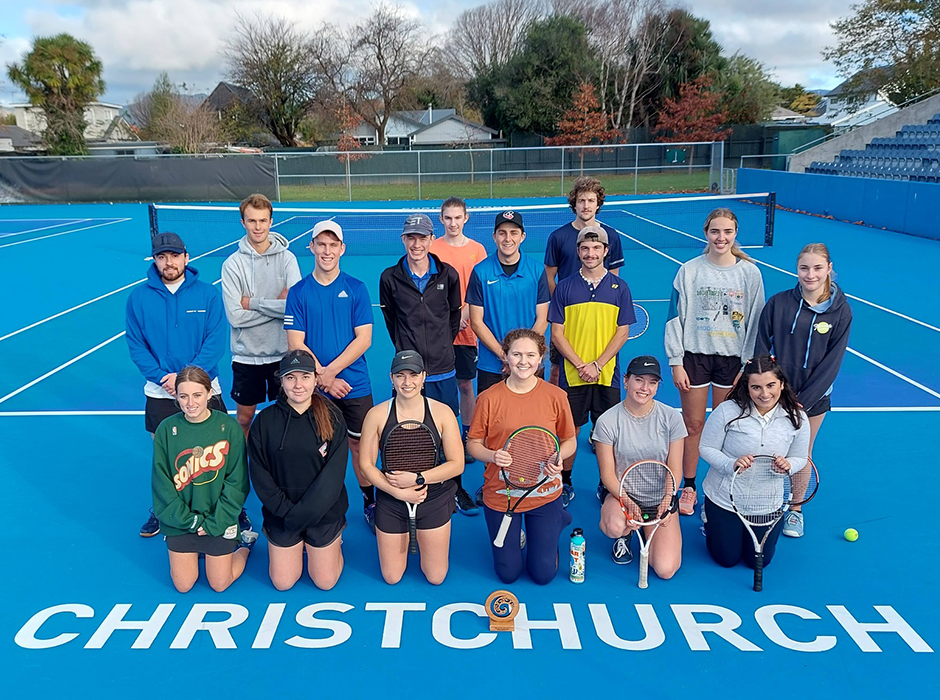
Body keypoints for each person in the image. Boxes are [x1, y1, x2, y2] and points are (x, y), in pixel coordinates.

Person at [126, 232, 250, 538]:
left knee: (218, 453)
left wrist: (185, 380)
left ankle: (233, 509)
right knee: (165, 454)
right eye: (161, 257)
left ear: (186, 257)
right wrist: (162, 377)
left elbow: (214, 342)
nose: (168, 262)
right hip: (160, 390)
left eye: (174, 256)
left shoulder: (208, 295)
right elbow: (136, 344)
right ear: (154, 260)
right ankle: (165, 509)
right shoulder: (138, 298)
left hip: (204, 387)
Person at [664, 208, 765, 517]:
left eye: (727, 232)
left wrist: (747, 365)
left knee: (727, 428)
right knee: (693, 424)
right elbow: (674, 317)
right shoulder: (689, 270)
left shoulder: (749, 272)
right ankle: (690, 487)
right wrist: (675, 361)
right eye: (715, 231)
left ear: (735, 234)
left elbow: (757, 321)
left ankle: (720, 492)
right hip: (694, 357)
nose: (721, 238)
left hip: (732, 361)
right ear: (705, 233)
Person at [755, 243, 852, 537]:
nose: (810, 274)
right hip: (772, 394)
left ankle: (795, 510)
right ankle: (758, 503)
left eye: (817, 268)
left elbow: (832, 362)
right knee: (760, 448)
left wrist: (802, 402)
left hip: (812, 399)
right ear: (797, 269)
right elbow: (761, 343)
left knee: (801, 453)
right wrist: (767, 388)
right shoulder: (779, 302)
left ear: (829, 269)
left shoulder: (841, 311)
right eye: (804, 268)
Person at [285, 220, 376, 532]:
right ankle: (321, 505)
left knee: (359, 448)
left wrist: (330, 372)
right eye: (320, 244)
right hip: (314, 388)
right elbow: (296, 343)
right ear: (311, 247)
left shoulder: (356, 289)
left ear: (342, 249)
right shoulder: (298, 293)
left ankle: (369, 500)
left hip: (354, 385)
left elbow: (364, 339)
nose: (326, 251)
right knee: (317, 450)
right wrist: (323, 379)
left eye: (332, 245)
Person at [468, 329, 577, 585]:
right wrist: (492, 455)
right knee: (508, 574)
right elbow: (473, 444)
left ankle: (556, 521)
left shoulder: (556, 396)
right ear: (505, 356)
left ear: (541, 358)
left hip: (545, 493)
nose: (523, 361)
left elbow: (569, 440)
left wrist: (559, 456)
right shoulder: (488, 398)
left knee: (543, 575)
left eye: (530, 355)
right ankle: (519, 534)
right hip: (502, 494)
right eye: (516, 354)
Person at [359, 351, 464, 585]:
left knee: (436, 577)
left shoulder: (442, 413)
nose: (407, 382)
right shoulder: (376, 415)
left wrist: (418, 479)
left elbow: (457, 464)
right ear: (391, 378)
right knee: (392, 577)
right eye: (400, 376)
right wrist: (397, 491)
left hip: (433, 497)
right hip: (392, 498)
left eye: (413, 375)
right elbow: (365, 465)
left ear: (424, 377)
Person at [248, 350, 349, 590]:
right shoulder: (264, 421)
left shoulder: (333, 417)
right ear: (281, 381)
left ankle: (333, 543)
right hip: (282, 514)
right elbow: (260, 475)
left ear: (315, 380)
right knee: (283, 582)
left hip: (323, 512)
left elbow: (333, 478)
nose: (298, 385)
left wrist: (304, 515)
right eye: (290, 378)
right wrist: (287, 513)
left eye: (304, 377)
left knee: (325, 581)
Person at [548, 226, 634, 507]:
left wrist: (598, 364)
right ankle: (565, 481)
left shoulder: (620, 287)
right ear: (578, 251)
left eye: (596, 248)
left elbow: (622, 332)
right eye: (585, 248)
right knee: (570, 432)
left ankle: (606, 483)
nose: (590, 253)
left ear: (606, 252)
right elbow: (557, 333)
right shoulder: (564, 287)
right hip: (573, 377)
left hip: (606, 375)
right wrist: (581, 365)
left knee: (607, 432)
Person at [698, 353, 809, 569]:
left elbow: (800, 457)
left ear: (782, 384)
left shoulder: (797, 417)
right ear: (747, 388)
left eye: (771, 385)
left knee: (758, 562)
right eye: (756, 387)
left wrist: (788, 466)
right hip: (725, 498)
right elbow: (706, 447)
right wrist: (730, 464)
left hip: (768, 503)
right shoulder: (727, 411)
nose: (765, 393)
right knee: (726, 559)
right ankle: (710, 520)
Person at [151, 365, 253, 593]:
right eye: (183, 396)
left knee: (219, 583)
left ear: (209, 393)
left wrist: (216, 522)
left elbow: (237, 482)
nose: (190, 403)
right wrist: (189, 521)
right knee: (184, 585)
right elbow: (162, 484)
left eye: (197, 395)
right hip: (181, 522)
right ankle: (195, 549)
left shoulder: (228, 427)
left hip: (218, 518)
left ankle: (244, 546)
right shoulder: (167, 429)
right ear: (175, 396)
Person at [594, 356, 686, 573]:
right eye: (639, 380)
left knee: (665, 569)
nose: (645, 388)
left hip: (660, 498)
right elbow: (607, 474)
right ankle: (624, 535)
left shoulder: (672, 418)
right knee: (614, 526)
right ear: (626, 381)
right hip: (624, 496)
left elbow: (675, 467)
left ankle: (650, 528)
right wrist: (627, 502)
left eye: (652, 382)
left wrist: (667, 498)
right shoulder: (607, 421)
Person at [221, 193, 301, 435]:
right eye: (252, 221)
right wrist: (277, 307)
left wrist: (253, 303)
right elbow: (235, 316)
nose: (258, 227)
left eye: (263, 221)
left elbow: (294, 308)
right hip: (247, 358)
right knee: (244, 420)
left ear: (271, 221)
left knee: (289, 419)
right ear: (243, 222)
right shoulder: (232, 265)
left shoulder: (288, 259)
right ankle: (240, 472)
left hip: (282, 354)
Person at [430, 196, 488, 515]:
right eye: (447, 218)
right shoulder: (434, 248)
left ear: (466, 218)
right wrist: (451, 313)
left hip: (468, 331)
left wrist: (466, 311)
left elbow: (477, 289)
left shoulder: (477, 250)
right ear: (442, 219)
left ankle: (467, 437)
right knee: (438, 390)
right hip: (440, 332)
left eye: (457, 217)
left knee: (466, 386)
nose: (453, 222)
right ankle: (441, 439)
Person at [379, 213, 462, 417]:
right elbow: (391, 319)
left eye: (422, 238)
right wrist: (404, 345)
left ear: (432, 239)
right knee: (409, 427)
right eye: (411, 238)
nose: (417, 244)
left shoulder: (449, 274)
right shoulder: (389, 278)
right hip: (408, 370)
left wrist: (442, 344)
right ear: (403, 239)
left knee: (446, 426)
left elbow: (453, 316)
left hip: (443, 368)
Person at [544, 176, 625, 384]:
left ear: (598, 204)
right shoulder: (557, 237)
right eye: (581, 200)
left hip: (601, 317)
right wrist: (561, 305)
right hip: (567, 316)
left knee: (603, 365)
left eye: (590, 200)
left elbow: (613, 278)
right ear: (574, 204)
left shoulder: (611, 236)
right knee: (557, 368)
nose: (586, 205)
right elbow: (549, 276)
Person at [467, 209, 551, 395]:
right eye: (502, 233)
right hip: (492, 365)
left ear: (522, 236)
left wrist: (523, 356)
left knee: (532, 419)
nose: (508, 238)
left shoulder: (537, 271)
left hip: (529, 364)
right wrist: (505, 355)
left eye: (514, 233)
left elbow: (542, 318)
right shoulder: (480, 272)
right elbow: (477, 322)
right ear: (494, 236)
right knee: (491, 419)